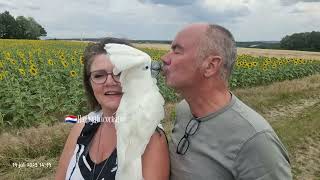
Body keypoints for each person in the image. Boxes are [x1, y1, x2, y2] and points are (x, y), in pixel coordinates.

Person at [161, 23, 292, 180]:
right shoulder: (184, 110)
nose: (165, 58)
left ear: (210, 66)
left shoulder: (256, 140)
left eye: (177, 51)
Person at [55, 38, 169, 180]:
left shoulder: (150, 138)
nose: (109, 82)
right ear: (89, 83)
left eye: (119, 73)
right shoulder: (81, 127)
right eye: (99, 75)